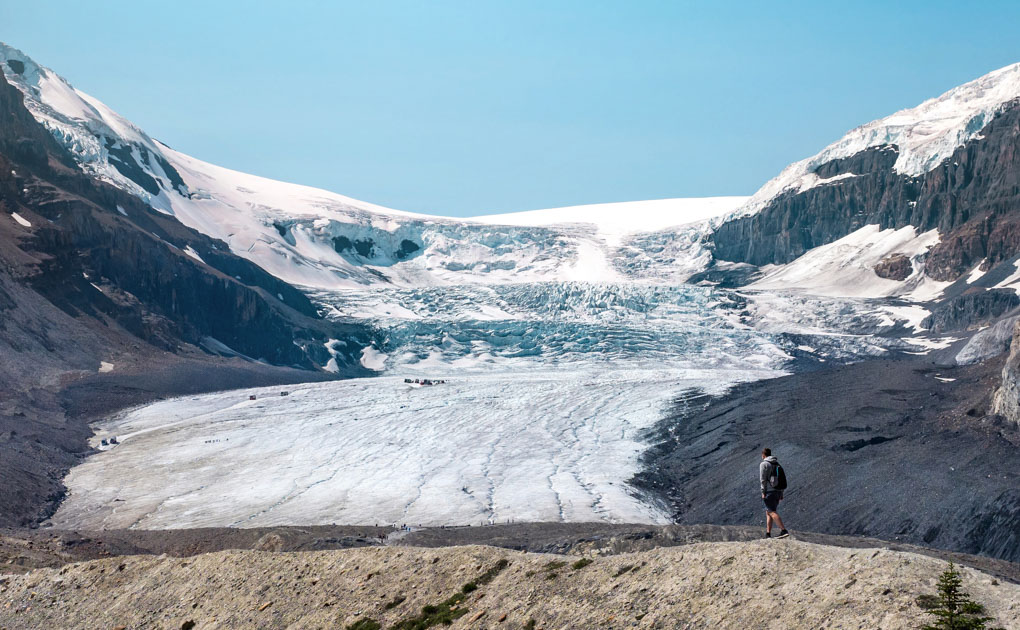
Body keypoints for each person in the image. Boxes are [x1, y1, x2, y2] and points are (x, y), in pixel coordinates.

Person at [759, 448, 789, 539]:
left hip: (769, 491)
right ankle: (768, 534)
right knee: (768, 512)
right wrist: (781, 493)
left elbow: (763, 479)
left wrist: (763, 492)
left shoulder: (764, 464)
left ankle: (783, 530)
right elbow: (781, 479)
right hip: (778, 491)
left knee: (771, 512)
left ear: (763, 455)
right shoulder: (776, 463)